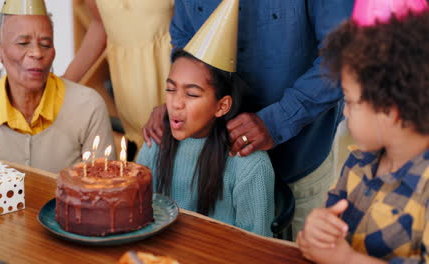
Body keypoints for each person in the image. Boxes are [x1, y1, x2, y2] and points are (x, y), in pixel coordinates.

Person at [143, 0, 354, 239]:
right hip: (212, 163)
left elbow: (343, 57)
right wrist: (182, 99)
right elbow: (184, 37)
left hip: (300, 156)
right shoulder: (157, 148)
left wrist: (278, 121)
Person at [298, 0, 429, 262]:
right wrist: (316, 229)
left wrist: (344, 259)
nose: (345, 113)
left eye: (349, 101)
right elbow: (323, 232)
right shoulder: (357, 163)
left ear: (389, 112)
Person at [137, 0, 275, 237]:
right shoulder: (156, 143)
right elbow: (137, 217)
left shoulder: (249, 165)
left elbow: (256, 250)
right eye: (171, 89)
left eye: (191, 94)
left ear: (222, 106)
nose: (176, 103)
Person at [0, 0, 116, 173]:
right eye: (23, 43)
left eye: (45, 44)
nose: (37, 53)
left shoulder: (88, 107)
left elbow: (104, 188)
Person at [63, 0, 173, 150]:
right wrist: (62, 84)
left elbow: (196, 31)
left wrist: (179, 99)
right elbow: (100, 24)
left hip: (175, 95)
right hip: (130, 105)